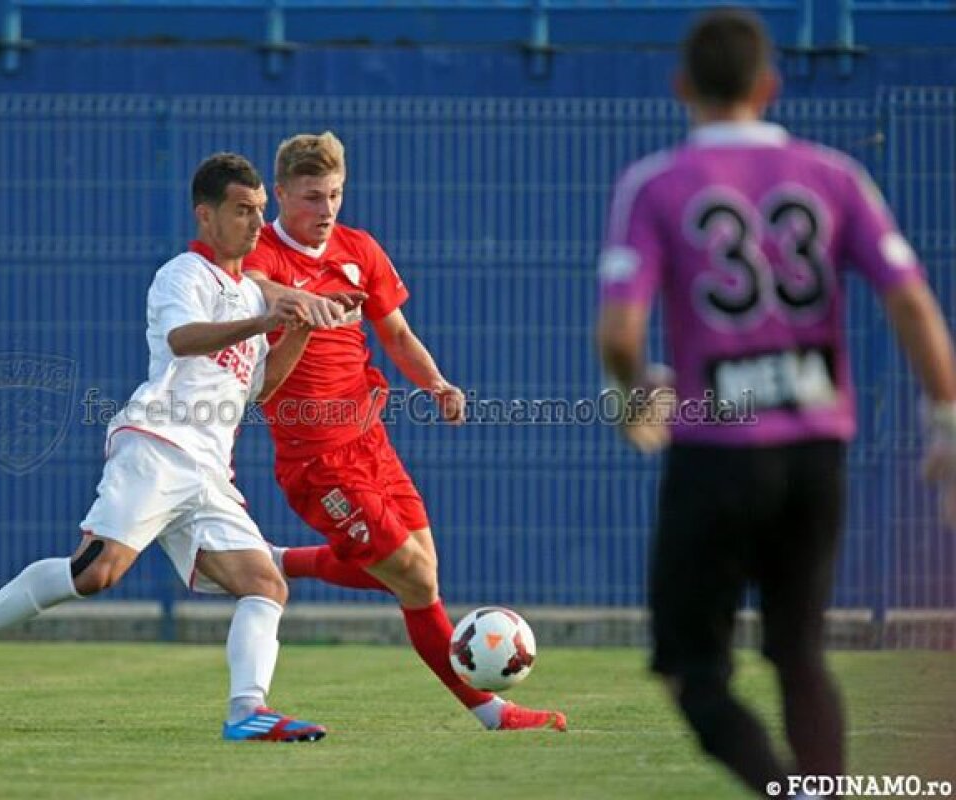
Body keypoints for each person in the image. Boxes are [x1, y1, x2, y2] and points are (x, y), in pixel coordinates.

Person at [596, 8, 956, 797]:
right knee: (799, 655)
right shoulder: (834, 176)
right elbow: (911, 302)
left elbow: (621, 330)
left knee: (695, 674)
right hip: (815, 452)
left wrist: (636, 392)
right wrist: (947, 421)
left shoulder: (656, 183)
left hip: (716, 453)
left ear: (682, 86)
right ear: (769, 85)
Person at [0, 152, 333, 743]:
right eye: (242, 211)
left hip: (208, 467)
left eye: (260, 211)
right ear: (206, 215)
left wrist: (299, 330)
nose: (257, 225)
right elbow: (183, 340)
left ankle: (246, 711)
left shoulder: (254, 295)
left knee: (265, 584)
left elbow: (259, 390)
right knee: (96, 572)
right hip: (157, 442)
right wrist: (265, 321)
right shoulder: (183, 274)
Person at [244, 131, 567, 732]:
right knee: (414, 578)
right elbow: (254, 287)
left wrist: (437, 383)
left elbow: (394, 334)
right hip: (318, 461)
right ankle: (490, 710)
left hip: (370, 444)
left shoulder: (358, 248)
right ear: (281, 194)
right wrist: (299, 301)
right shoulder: (264, 254)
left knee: (422, 571)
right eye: (312, 197)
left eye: (336, 195)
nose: (326, 210)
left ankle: (281, 560)